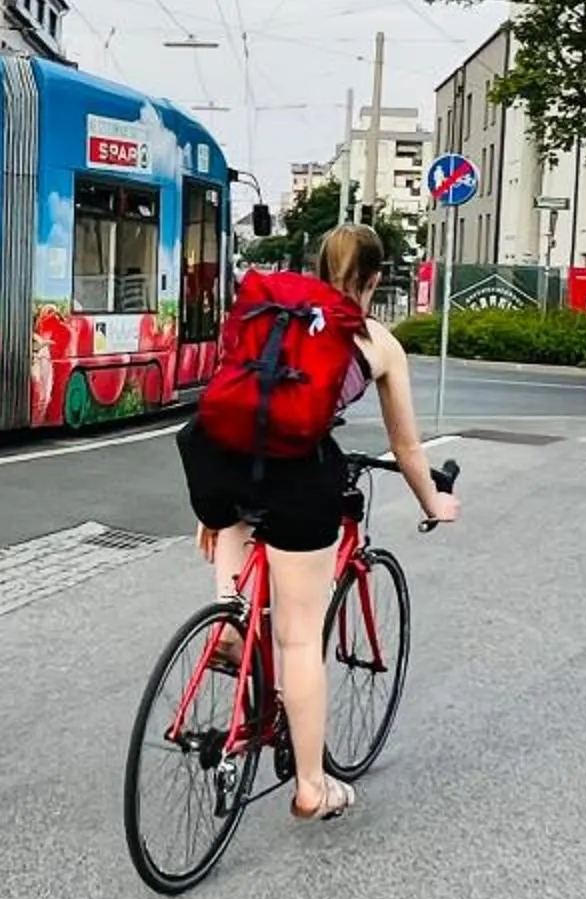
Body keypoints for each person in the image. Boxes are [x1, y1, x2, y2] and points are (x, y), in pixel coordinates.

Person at [175, 222, 458, 821]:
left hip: (218, 455)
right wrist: (435, 502)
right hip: (296, 473)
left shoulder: (272, 309)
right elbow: (407, 450)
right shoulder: (376, 340)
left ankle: (228, 620)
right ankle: (312, 785)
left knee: (236, 516)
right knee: (300, 637)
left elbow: (238, 394)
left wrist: (210, 503)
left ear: (316, 263)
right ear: (376, 279)